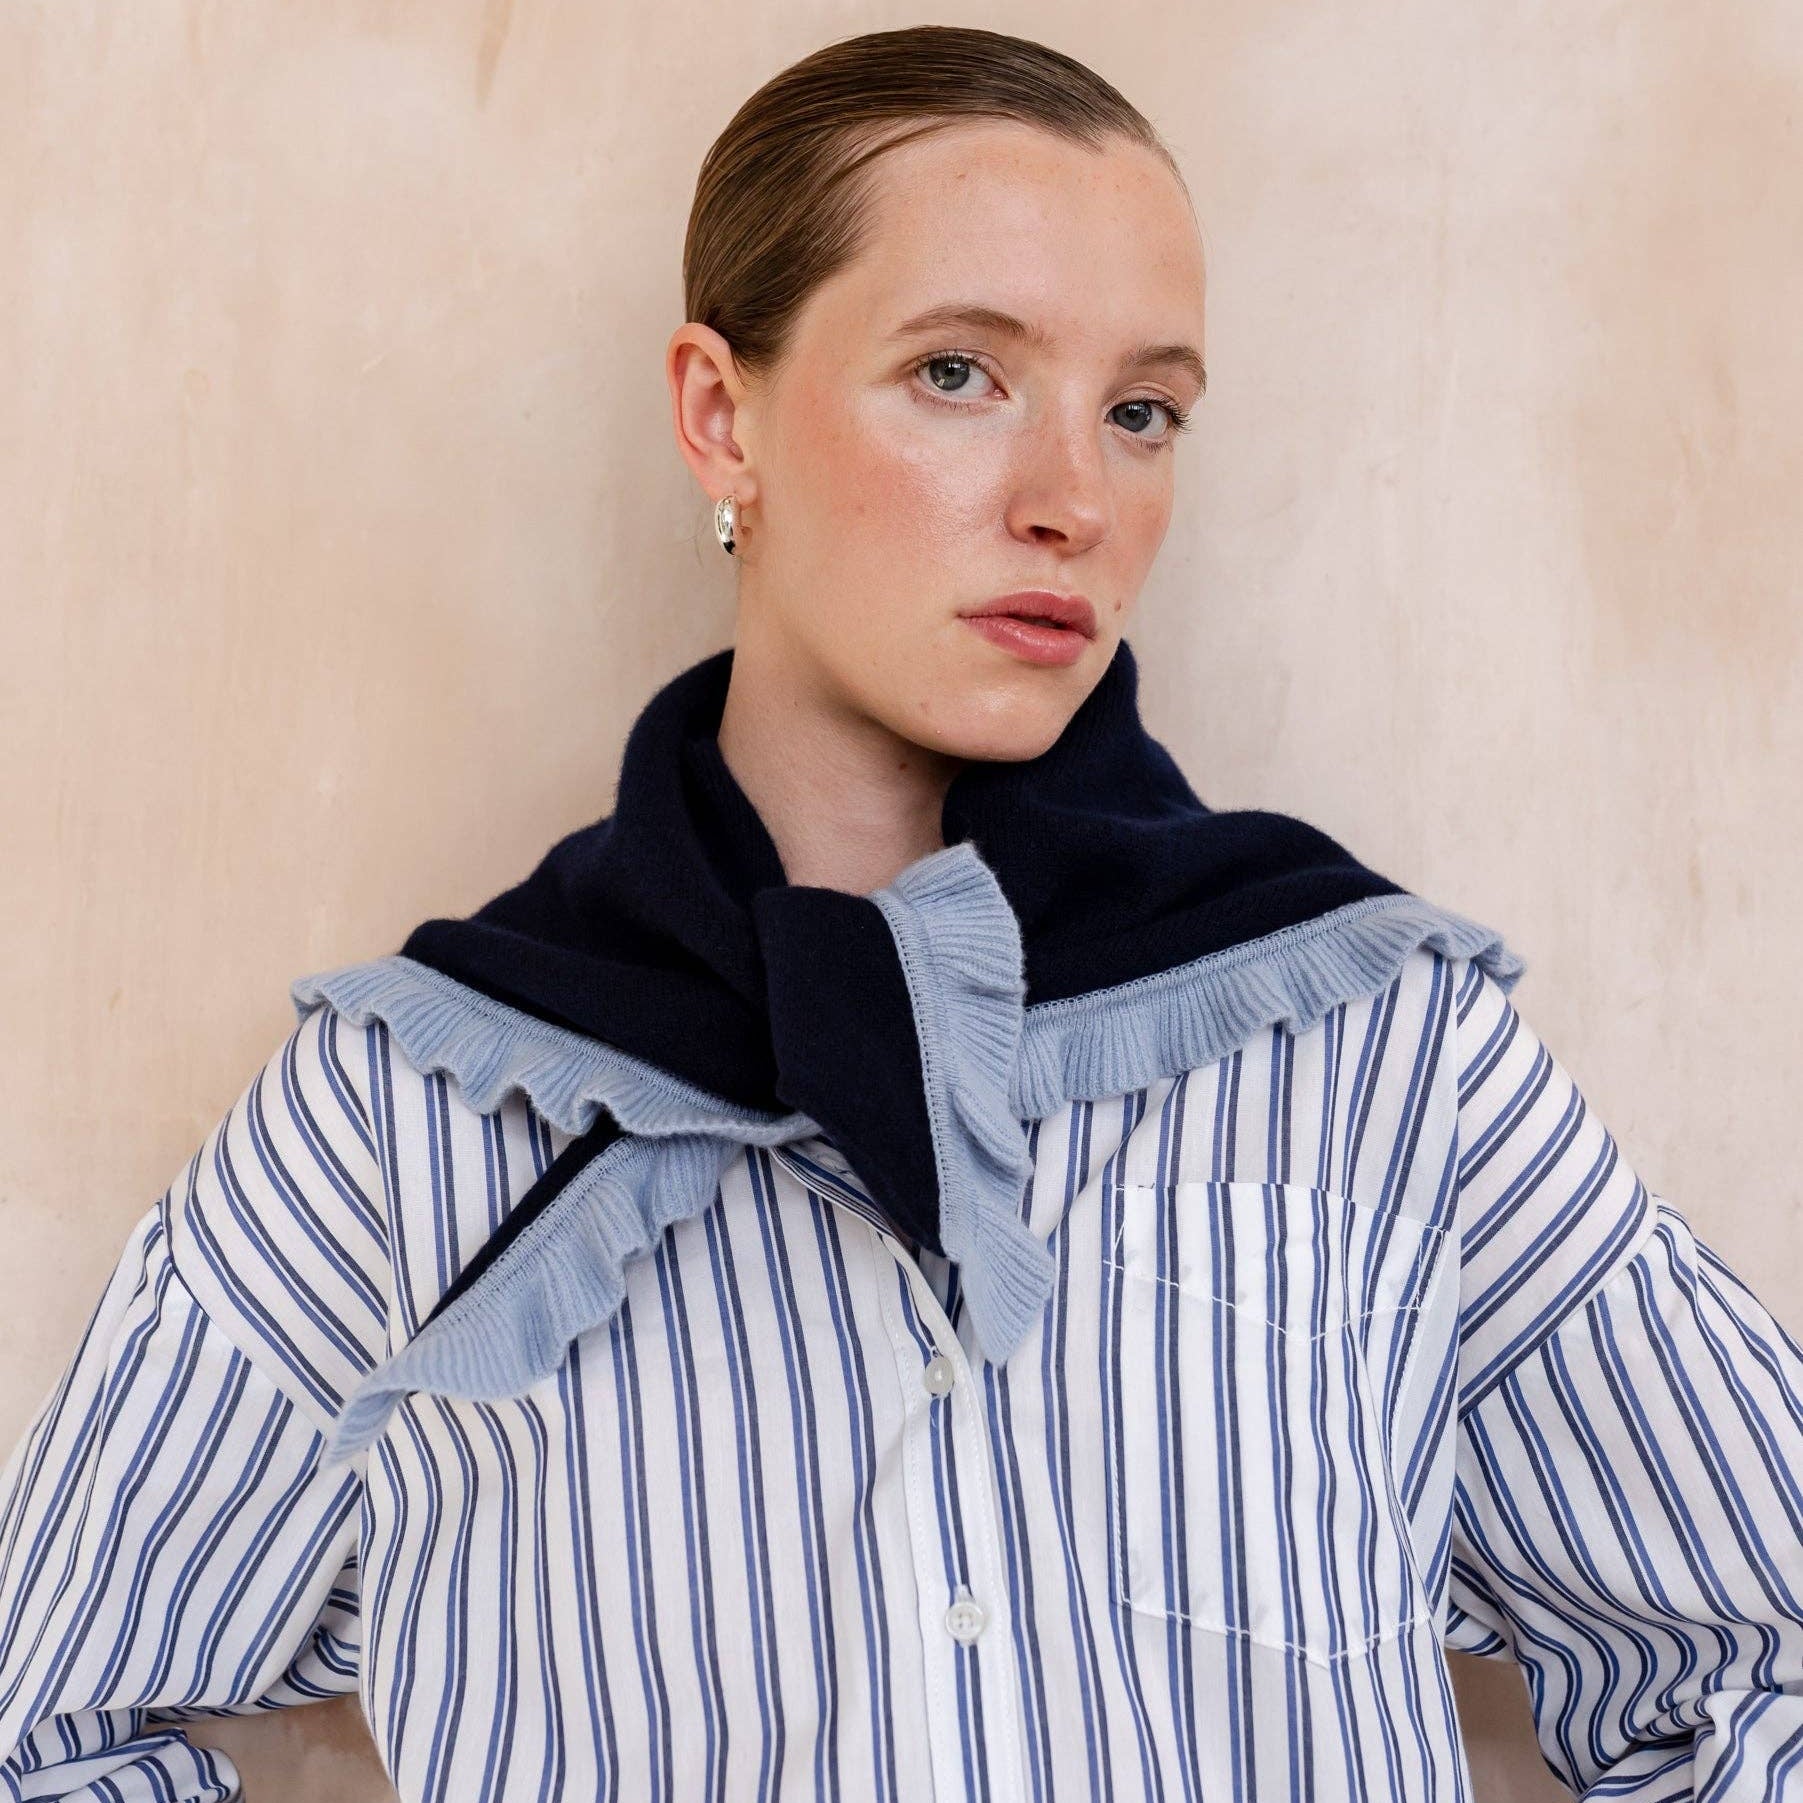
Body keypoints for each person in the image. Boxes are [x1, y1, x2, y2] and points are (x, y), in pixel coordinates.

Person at [4, 22, 1801, 1802]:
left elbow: (1766, 1664)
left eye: (1142, 410)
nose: (1072, 501)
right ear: (723, 415)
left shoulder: (1376, 1054)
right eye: (959, 374)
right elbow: (44, 1730)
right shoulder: (415, 1113)